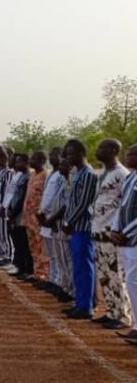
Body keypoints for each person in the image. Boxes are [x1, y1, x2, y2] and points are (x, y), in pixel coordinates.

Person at [89, 138, 131, 330]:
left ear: (113, 150)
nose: (98, 150)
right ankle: (111, 311)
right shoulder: (105, 173)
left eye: (102, 147)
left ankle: (122, 315)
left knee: (116, 275)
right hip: (98, 231)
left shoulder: (122, 175)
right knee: (105, 275)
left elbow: (125, 205)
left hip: (111, 233)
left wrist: (119, 229)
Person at [61, 139, 99, 320]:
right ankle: (81, 302)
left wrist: (70, 221)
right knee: (78, 266)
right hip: (75, 227)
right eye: (67, 154)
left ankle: (86, 307)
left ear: (81, 153)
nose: (68, 157)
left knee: (84, 266)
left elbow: (84, 203)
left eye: (71, 153)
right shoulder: (77, 174)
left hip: (83, 227)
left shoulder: (89, 175)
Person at [110, 144, 137, 344]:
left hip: (133, 239)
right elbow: (122, 207)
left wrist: (125, 232)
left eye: (131, 154)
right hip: (126, 240)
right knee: (131, 281)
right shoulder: (130, 178)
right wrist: (115, 228)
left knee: (134, 281)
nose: (127, 157)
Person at [36, 148, 69, 297]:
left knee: (59, 254)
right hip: (46, 217)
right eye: (50, 155)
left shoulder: (63, 176)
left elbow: (61, 200)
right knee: (51, 253)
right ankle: (53, 278)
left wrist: (49, 216)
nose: (52, 158)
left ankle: (58, 281)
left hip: (54, 218)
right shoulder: (52, 174)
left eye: (55, 155)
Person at [3, 153, 31, 278]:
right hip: (14, 212)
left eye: (20, 162)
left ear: (26, 163)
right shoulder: (20, 176)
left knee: (23, 242)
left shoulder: (28, 177)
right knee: (17, 240)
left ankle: (26, 269)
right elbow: (13, 195)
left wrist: (13, 213)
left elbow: (22, 198)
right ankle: (19, 266)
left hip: (20, 214)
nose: (16, 164)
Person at [22, 151, 48, 282]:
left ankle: (45, 274)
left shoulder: (46, 176)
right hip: (29, 217)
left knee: (42, 246)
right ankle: (37, 272)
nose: (31, 161)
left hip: (39, 218)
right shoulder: (32, 175)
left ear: (42, 160)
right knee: (33, 246)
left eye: (34, 158)